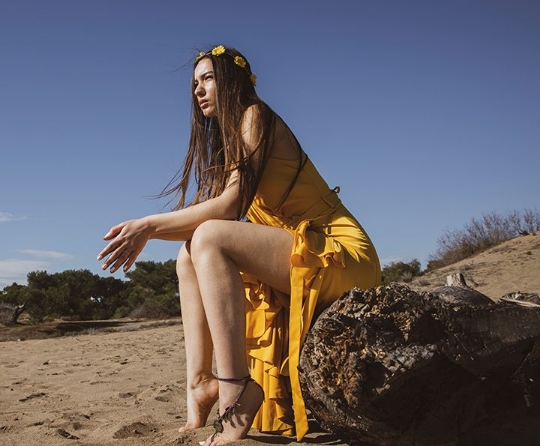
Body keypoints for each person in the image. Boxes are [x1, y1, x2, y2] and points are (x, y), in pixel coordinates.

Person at [97, 45, 380, 445]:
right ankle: (200, 384)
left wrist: (146, 225)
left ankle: (234, 389)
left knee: (209, 236)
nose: (198, 90)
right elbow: (213, 213)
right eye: (194, 83)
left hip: (338, 251)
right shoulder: (230, 139)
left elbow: (228, 209)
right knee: (189, 254)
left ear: (233, 80)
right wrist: (150, 231)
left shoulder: (254, 116)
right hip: (300, 247)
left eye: (208, 78)